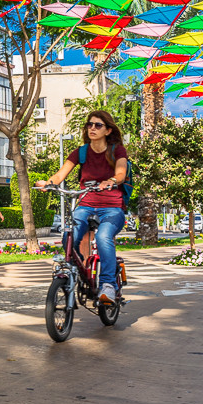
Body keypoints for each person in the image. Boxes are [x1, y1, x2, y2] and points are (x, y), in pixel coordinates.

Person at [36, 110, 128, 304]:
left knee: (103, 237)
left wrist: (111, 180)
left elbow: (121, 173)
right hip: (86, 204)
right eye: (89, 124)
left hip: (112, 207)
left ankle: (108, 285)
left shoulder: (117, 151)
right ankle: (78, 271)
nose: (92, 128)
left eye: (98, 125)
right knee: (69, 236)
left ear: (108, 130)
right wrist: (49, 183)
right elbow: (60, 175)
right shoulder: (81, 152)